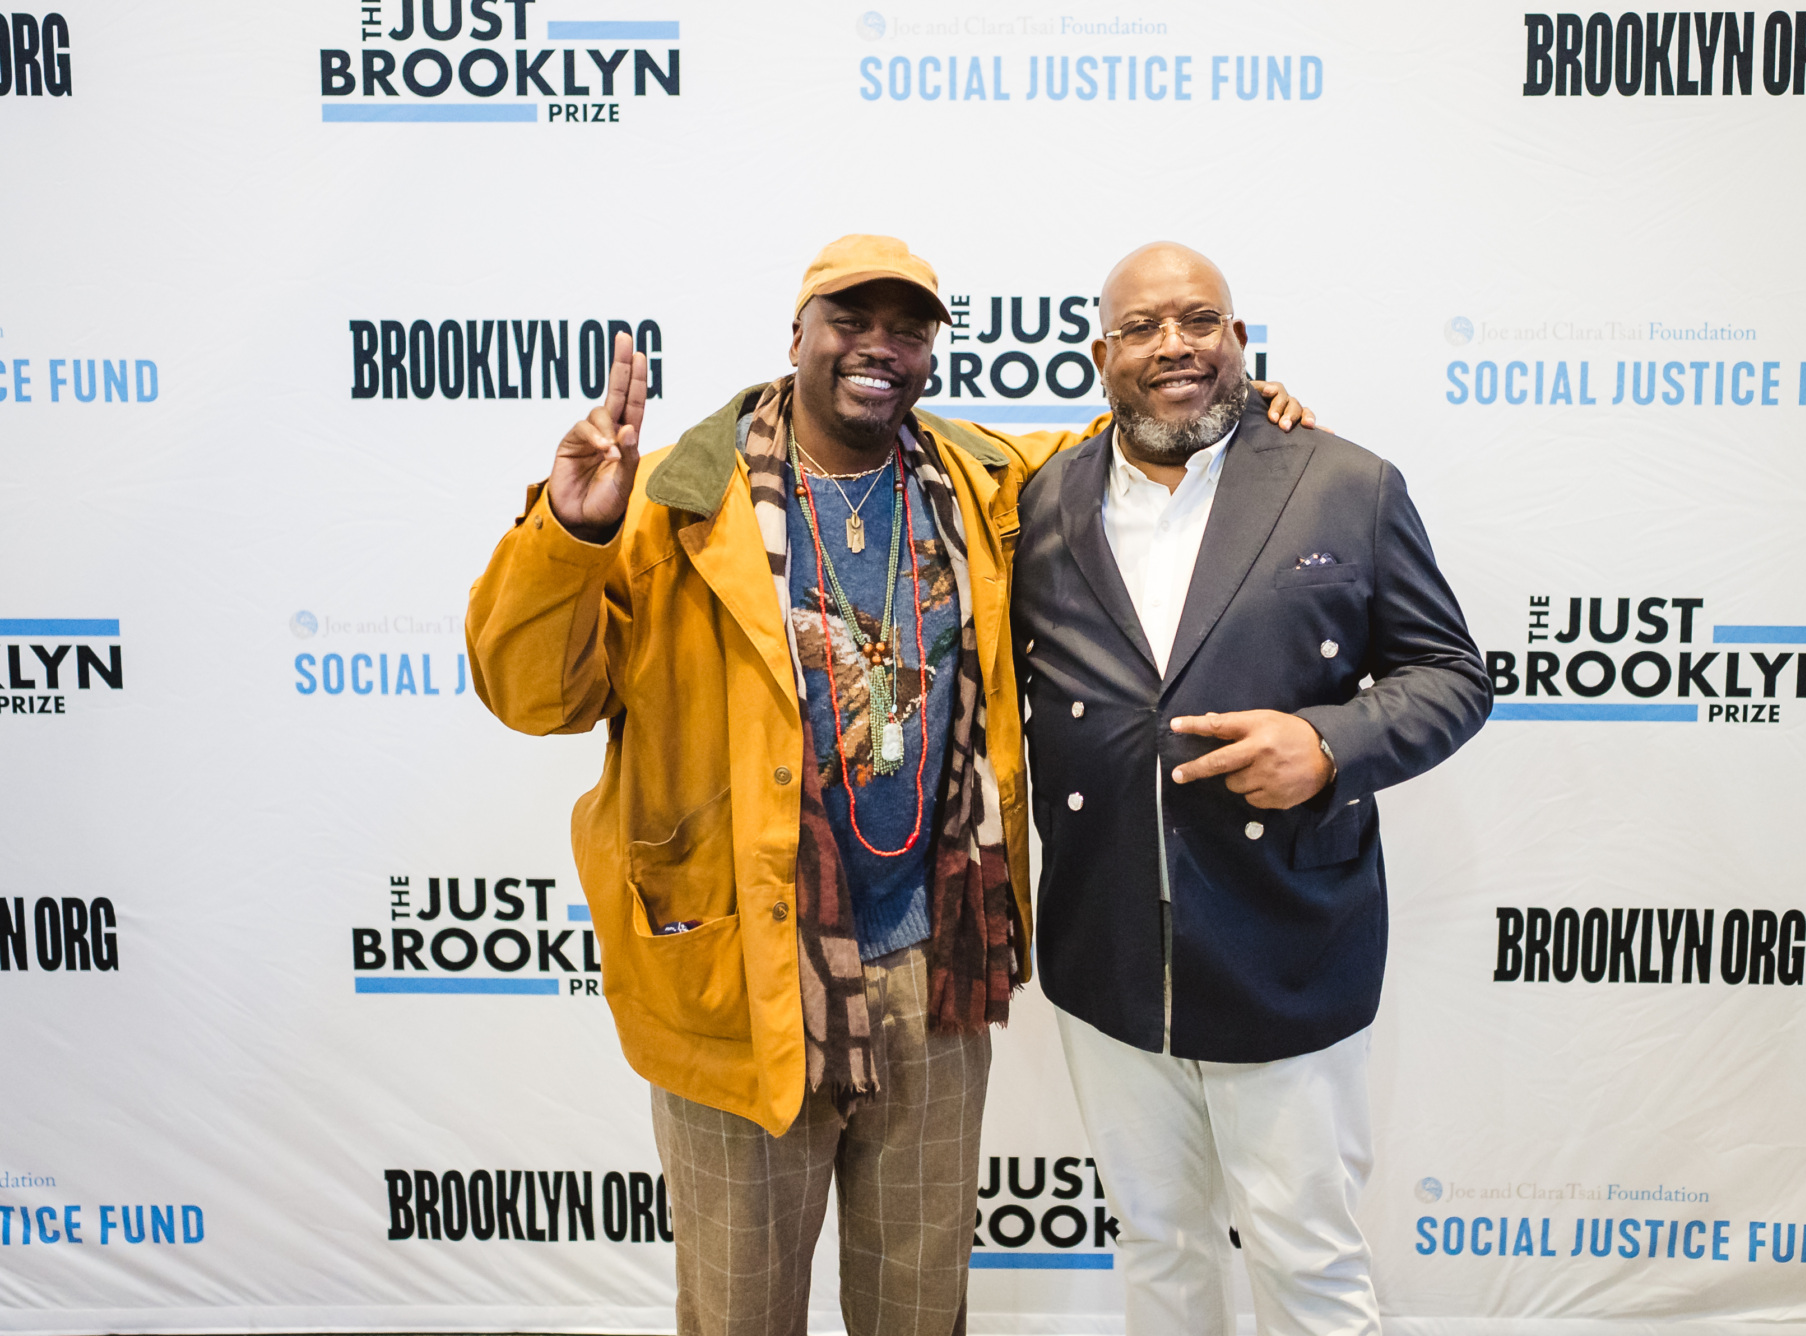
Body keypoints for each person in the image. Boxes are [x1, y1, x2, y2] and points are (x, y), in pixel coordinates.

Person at [464, 235, 1312, 1336]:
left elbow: (1130, 444)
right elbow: (533, 695)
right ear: (797, 337)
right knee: (739, 1313)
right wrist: (571, 531)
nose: (879, 348)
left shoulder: (980, 481)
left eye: (906, 330)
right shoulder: (673, 501)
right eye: (850, 321)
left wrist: (1245, 415)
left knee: (918, 1311)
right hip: (745, 978)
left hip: (934, 971)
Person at [1012, 242, 1490, 1336]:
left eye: (1199, 320)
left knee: (1305, 1256)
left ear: (1238, 339)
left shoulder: (1344, 484)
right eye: (1141, 327)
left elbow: (1452, 676)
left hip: (1285, 942)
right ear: (1101, 355)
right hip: (1106, 950)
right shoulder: (1042, 500)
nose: (1173, 345)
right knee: (1157, 1245)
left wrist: (1327, 742)